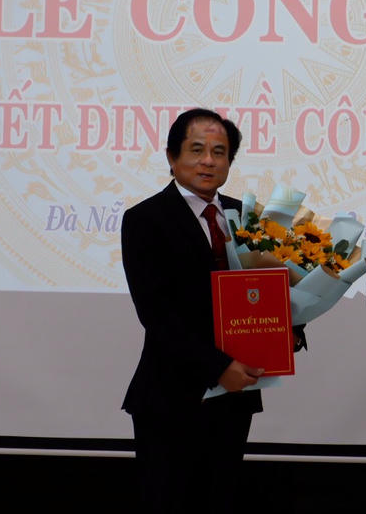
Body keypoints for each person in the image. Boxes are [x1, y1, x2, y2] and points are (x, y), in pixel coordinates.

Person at [120, 108, 265, 513]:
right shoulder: (145, 219)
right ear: (172, 157)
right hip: (171, 397)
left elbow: (267, 291)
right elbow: (157, 314)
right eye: (196, 150)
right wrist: (218, 367)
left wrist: (286, 331)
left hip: (233, 399)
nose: (208, 161)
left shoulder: (246, 217)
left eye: (219, 152)